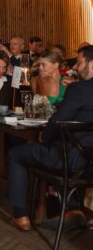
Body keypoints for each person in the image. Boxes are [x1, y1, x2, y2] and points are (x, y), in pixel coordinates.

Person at [7, 45, 93, 231]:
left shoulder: (79, 89)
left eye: (79, 63)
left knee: (16, 154)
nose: (75, 67)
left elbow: (56, 122)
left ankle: (20, 215)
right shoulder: (74, 87)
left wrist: (44, 137)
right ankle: (73, 209)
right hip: (89, 161)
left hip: (75, 161)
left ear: (91, 64)